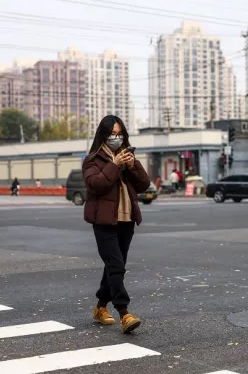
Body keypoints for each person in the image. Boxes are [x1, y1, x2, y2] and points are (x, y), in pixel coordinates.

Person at [82, 115, 151, 334]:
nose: (116, 137)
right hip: (104, 222)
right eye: (112, 134)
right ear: (103, 135)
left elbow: (144, 184)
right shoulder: (92, 160)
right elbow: (96, 185)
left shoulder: (126, 155)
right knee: (116, 266)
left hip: (126, 220)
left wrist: (132, 165)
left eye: (119, 133)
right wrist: (114, 165)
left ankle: (101, 307)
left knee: (114, 266)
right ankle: (124, 312)